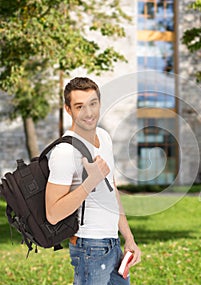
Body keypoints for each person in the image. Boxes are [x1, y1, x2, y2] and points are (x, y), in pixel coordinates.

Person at [45, 77, 141, 285]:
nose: (88, 113)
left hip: (113, 244)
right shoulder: (64, 151)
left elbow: (111, 191)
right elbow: (52, 214)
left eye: (93, 104)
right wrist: (90, 182)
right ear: (68, 109)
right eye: (80, 106)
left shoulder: (104, 137)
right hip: (89, 248)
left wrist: (128, 237)